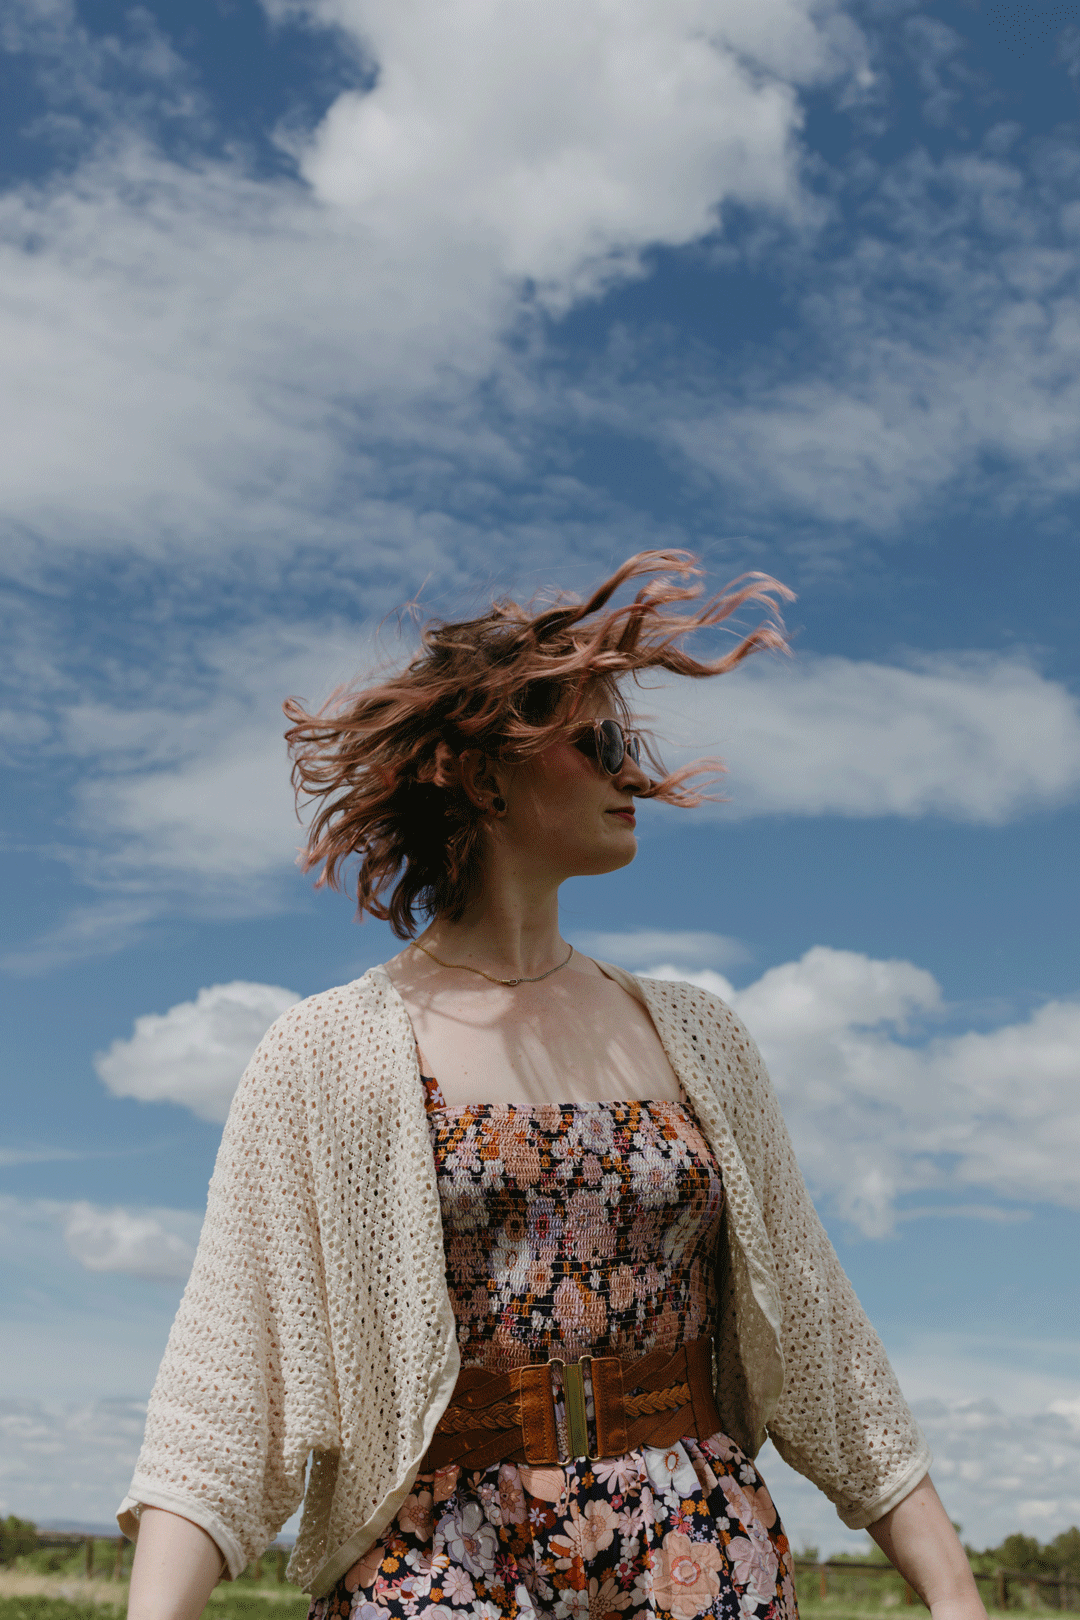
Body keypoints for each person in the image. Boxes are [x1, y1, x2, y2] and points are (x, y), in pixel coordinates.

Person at [121, 553, 987, 1620]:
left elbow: (819, 1335)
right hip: (438, 1561)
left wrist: (956, 1598)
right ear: (486, 773)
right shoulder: (325, 1053)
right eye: (603, 742)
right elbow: (224, 1382)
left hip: (696, 1544)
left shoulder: (699, 1036)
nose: (635, 774)